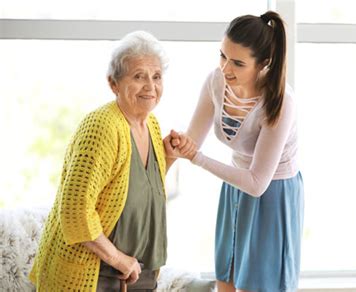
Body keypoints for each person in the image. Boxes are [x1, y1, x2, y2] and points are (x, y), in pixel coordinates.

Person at [29, 31, 195, 291]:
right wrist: (120, 260)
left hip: (140, 271)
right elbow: (75, 210)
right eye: (139, 76)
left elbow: (138, 191)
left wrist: (168, 157)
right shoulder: (102, 126)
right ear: (113, 83)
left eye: (156, 76)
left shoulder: (150, 123)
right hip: (97, 274)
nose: (150, 86)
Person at [165, 11, 304, 292]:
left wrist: (198, 158)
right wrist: (178, 145)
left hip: (272, 194)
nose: (226, 68)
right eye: (222, 56)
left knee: (257, 285)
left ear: (264, 63)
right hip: (234, 187)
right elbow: (193, 140)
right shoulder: (216, 82)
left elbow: (256, 183)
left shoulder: (280, 102)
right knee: (226, 278)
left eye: (238, 63)